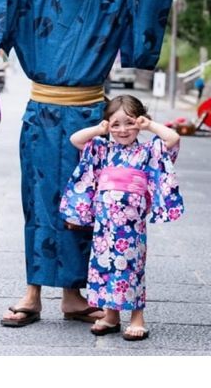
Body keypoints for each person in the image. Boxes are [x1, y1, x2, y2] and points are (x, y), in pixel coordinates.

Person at [0, 0, 173, 327]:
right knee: (37, 200)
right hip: (43, 115)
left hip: (90, 117)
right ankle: (32, 292)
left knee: (87, 201)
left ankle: (73, 294)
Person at [60, 95, 183, 340]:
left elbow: (173, 139)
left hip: (131, 224)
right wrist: (100, 129)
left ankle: (137, 318)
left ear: (139, 122)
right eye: (115, 124)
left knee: (131, 267)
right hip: (104, 223)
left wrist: (150, 125)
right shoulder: (103, 148)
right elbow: (76, 139)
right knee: (103, 266)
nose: (123, 130)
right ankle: (111, 315)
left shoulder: (148, 150)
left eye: (130, 123)